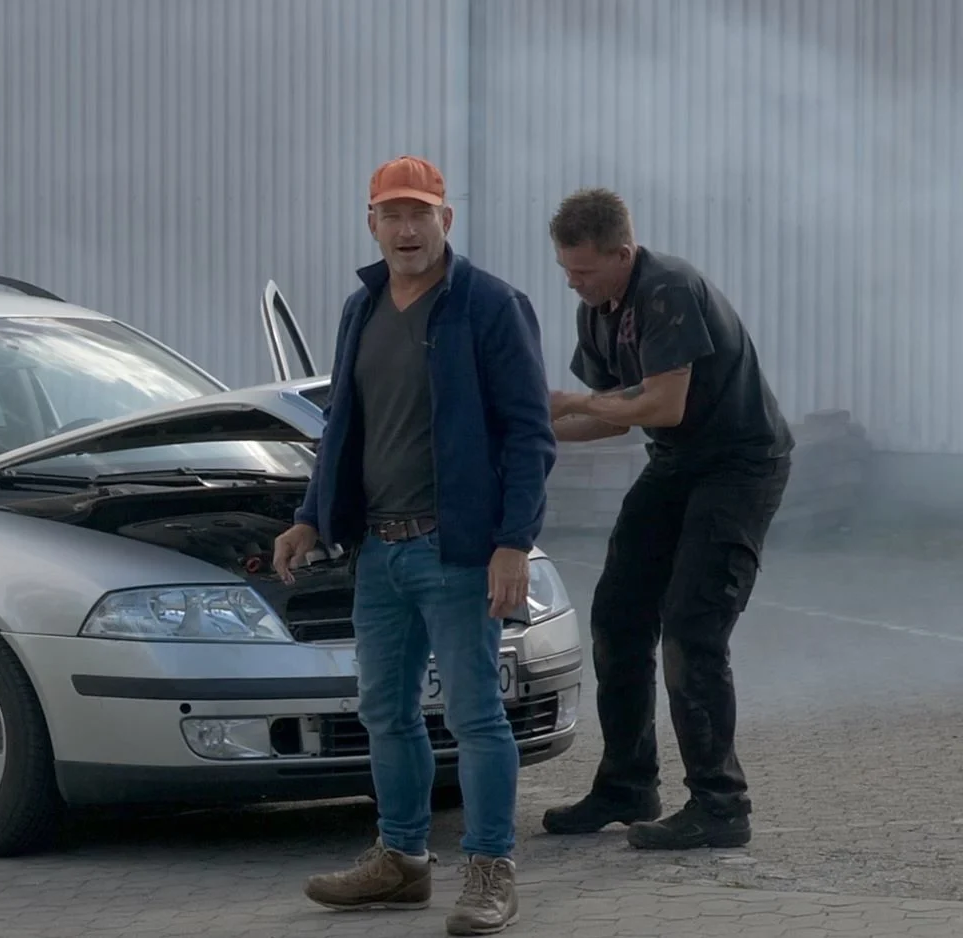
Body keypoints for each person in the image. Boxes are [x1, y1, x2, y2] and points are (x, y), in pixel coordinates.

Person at [275, 155, 556, 936]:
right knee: (384, 712)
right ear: (372, 224)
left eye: (419, 214)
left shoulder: (490, 306)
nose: (406, 230)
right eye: (392, 215)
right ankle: (401, 861)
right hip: (380, 551)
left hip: (457, 553)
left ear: (445, 221)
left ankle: (491, 870)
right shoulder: (360, 309)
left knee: (475, 716)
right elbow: (341, 427)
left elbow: (530, 436)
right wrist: (309, 516)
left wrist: (513, 543)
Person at [537, 188, 794, 850]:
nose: (573, 282)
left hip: (739, 466)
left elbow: (661, 404)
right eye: (565, 268)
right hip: (677, 463)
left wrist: (575, 402)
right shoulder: (596, 311)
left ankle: (720, 804)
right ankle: (627, 785)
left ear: (623, 254)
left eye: (583, 269)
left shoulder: (667, 289)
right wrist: (531, 430)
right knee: (617, 616)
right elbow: (610, 419)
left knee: (691, 627)